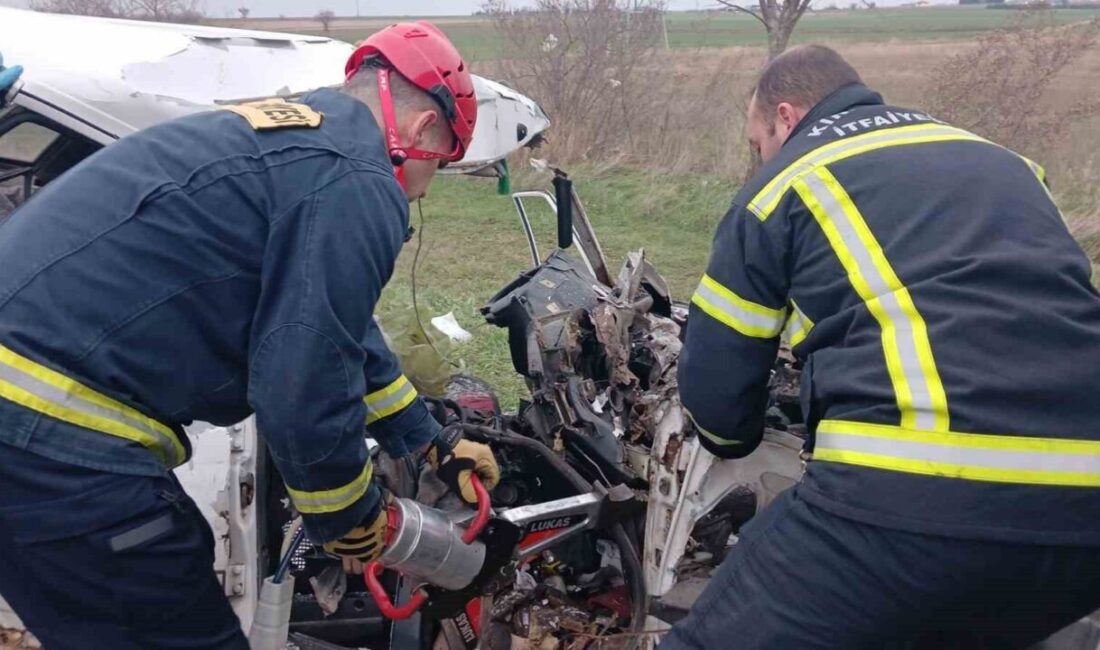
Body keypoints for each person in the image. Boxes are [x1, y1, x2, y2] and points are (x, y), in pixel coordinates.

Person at [0, 22, 499, 649]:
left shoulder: (287, 136)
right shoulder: (357, 176)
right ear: (426, 131)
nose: (427, 185)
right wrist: (349, 518)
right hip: (51, 437)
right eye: (442, 165)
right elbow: (304, 378)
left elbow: (338, 335)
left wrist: (430, 440)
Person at [664, 44, 1100, 649]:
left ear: (786, 118)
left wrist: (730, 439)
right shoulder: (1009, 163)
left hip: (912, 503)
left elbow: (718, 388)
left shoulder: (784, 182)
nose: (758, 157)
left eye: (756, 141)